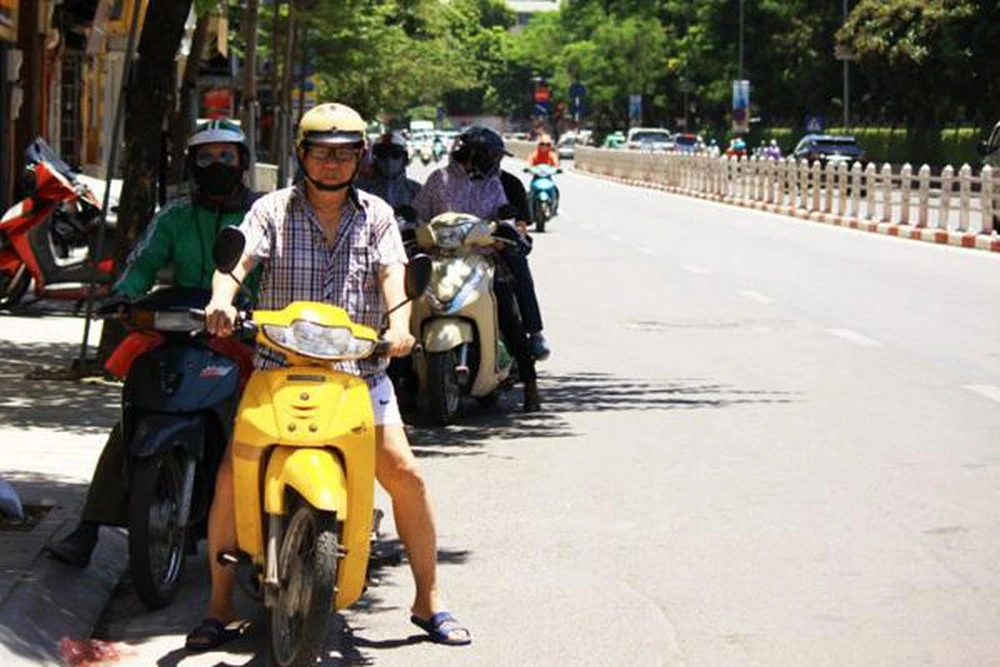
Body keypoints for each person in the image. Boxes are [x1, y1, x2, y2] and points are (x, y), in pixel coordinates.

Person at [188, 102, 472, 651]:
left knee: (406, 475)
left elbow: (393, 275)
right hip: (279, 370)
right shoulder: (271, 209)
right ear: (303, 155)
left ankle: (428, 599)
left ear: (360, 158)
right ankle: (219, 605)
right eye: (321, 152)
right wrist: (221, 301)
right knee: (228, 478)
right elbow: (238, 261)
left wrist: (400, 326)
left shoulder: (377, 214)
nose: (333, 163)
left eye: (344, 154)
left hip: (358, 373)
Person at [45, 120, 260, 567]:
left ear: (242, 163)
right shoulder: (174, 215)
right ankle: (89, 528)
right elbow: (142, 263)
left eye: (226, 156)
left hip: (246, 331)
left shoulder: (262, 215)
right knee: (136, 414)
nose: (216, 165)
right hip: (181, 325)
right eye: (206, 157)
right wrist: (124, 294)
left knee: (260, 422)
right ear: (191, 165)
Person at [413, 126, 546, 412]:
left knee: (506, 312)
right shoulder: (438, 179)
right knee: (405, 304)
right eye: (492, 155)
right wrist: (414, 229)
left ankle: (530, 382)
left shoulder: (495, 185)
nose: (495, 162)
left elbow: (506, 221)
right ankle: (402, 383)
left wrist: (503, 235)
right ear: (475, 153)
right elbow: (420, 214)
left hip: (483, 261)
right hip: (440, 260)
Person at [356, 130, 421, 211]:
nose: (389, 161)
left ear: (404, 160)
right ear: (374, 159)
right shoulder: (359, 190)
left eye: (395, 155)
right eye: (382, 155)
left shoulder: (417, 191)